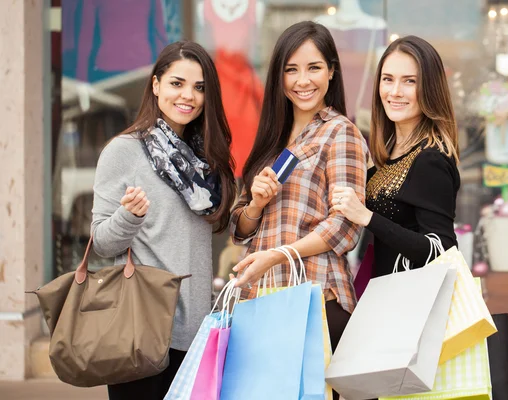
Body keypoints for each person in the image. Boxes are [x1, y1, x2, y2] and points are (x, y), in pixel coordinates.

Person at [228, 21, 368, 398]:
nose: (302, 80)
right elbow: (239, 229)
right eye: (291, 69)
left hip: (316, 299)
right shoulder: (272, 139)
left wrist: (278, 255)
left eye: (313, 68)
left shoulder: (341, 133)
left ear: (331, 71)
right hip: (261, 300)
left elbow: (345, 227)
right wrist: (255, 204)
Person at [90, 41, 236, 400]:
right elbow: (102, 242)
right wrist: (130, 215)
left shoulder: (208, 161)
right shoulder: (124, 151)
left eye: (199, 87)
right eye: (177, 83)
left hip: (197, 329)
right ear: (156, 85)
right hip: (140, 332)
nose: (188, 95)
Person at [333, 35, 460, 277]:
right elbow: (397, 211)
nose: (395, 91)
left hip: (413, 305)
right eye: (387, 79)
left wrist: (365, 217)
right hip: (389, 296)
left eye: (409, 81)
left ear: (429, 87)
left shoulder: (430, 159)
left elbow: (441, 249)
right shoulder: (395, 151)